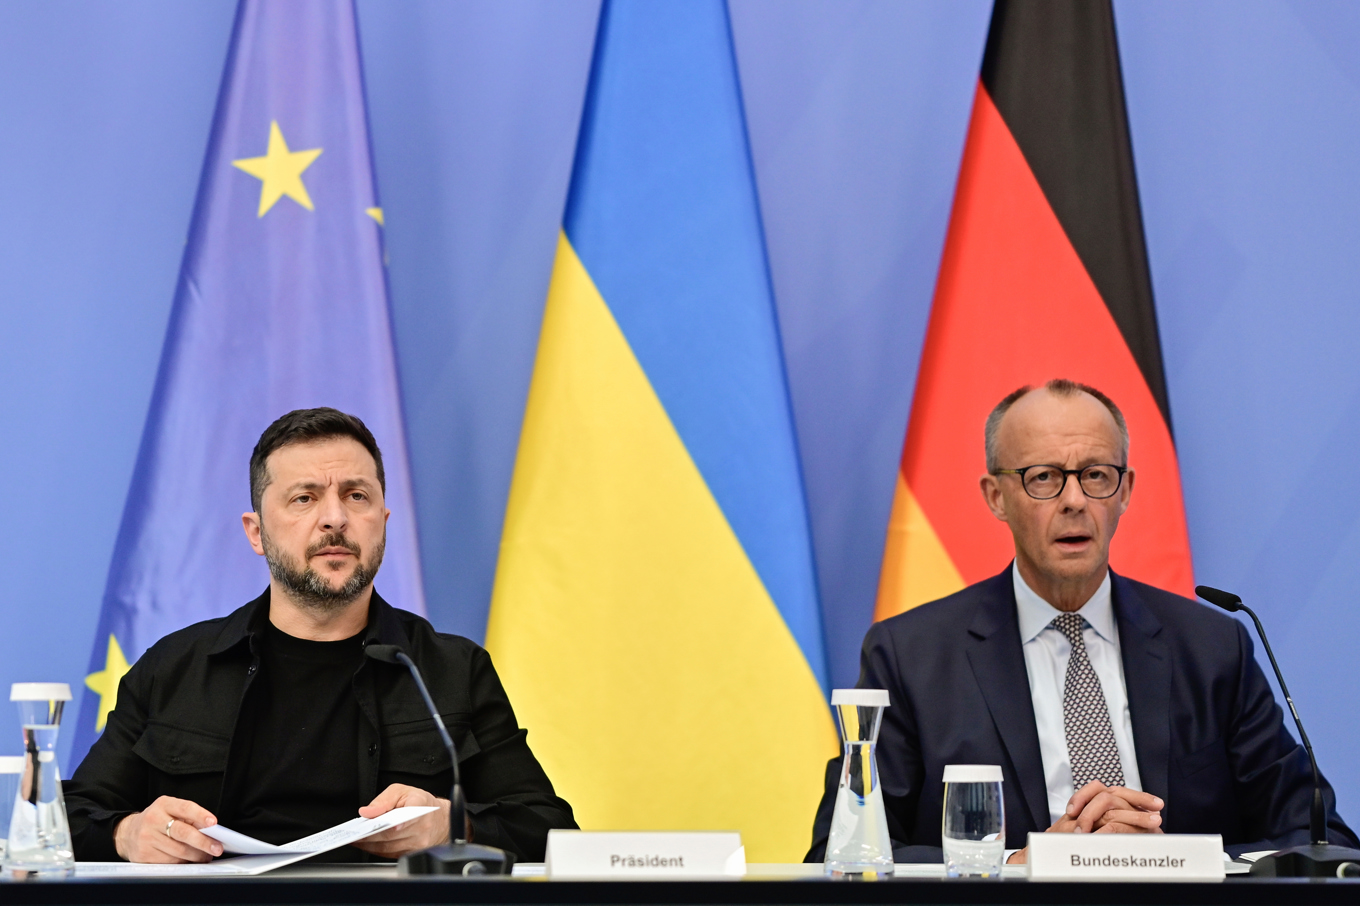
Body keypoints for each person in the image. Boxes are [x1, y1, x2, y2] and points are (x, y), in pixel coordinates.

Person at [807, 379, 1356, 863]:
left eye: (1096, 475)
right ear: (996, 496)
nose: (1074, 500)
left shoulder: (1212, 648)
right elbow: (840, 851)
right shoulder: (911, 657)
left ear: (1126, 491)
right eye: (1043, 477)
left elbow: (1322, 839)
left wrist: (1170, 859)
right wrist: (1021, 863)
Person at [65, 408, 576, 864]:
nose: (335, 518)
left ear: (383, 522)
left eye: (357, 496)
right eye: (304, 498)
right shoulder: (175, 667)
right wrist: (128, 833)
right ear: (256, 532)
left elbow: (550, 828)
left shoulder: (450, 670)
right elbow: (66, 817)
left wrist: (453, 825)